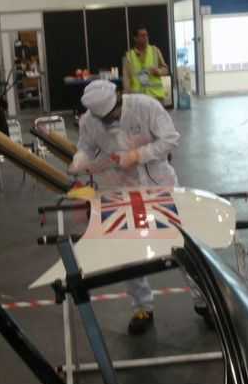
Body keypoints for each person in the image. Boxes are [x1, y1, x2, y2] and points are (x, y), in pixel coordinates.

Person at [68, 80, 210, 335]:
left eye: (112, 116)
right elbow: (86, 145)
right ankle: (142, 307)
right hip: (120, 189)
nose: (109, 123)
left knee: (182, 243)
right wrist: (80, 158)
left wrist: (137, 155)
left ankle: (204, 301)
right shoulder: (90, 120)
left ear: (118, 99)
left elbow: (170, 139)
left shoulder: (145, 107)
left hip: (159, 184)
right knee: (128, 251)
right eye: (104, 120)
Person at [122, 26, 169, 102]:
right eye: (142, 35)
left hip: (156, 97)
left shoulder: (155, 50)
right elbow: (126, 79)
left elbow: (166, 70)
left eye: (146, 35)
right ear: (135, 38)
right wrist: (128, 96)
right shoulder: (128, 56)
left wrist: (159, 71)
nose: (146, 38)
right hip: (138, 98)